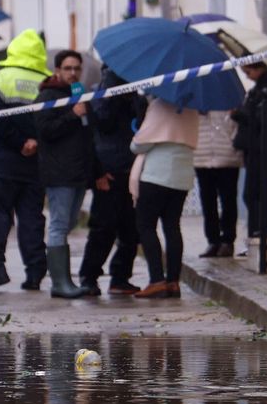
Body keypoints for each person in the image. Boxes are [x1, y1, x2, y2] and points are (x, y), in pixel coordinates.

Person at [0, 29, 49, 292]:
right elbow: (49, 120)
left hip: (3, 160)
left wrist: (19, 143)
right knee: (31, 217)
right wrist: (34, 142)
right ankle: (35, 272)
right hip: (35, 163)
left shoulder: (2, 77)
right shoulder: (46, 80)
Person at [77, 66, 143, 297]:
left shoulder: (134, 97)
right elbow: (101, 126)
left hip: (131, 170)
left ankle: (120, 277)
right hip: (109, 171)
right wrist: (97, 174)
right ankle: (89, 276)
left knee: (131, 230)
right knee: (103, 228)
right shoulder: (100, 97)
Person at [35, 50, 96, 299]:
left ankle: (64, 278)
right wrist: (73, 115)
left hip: (79, 172)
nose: (73, 73)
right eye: (68, 68)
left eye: (76, 69)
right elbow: (45, 130)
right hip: (59, 171)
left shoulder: (79, 95)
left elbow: (88, 136)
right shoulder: (48, 96)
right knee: (59, 225)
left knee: (69, 223)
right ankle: (60, 283)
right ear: (57, 70)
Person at [130, 97, 199, 299]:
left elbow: (139, 145)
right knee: (172, 227)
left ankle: (157, 280)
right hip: (182, 176)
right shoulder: (192, 107)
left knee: (145, 225)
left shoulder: (160, 105)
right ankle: (173, 282)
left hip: (156, 175)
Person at [231, 62, 267, 242]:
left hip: (263, 146)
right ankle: (255, 233)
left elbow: (261, 117)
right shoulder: (261, 88)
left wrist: (238, 114)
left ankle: (261, 231)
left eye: (247, 71)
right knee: (254, 192)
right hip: (256, 145)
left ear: (258, 68)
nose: (247, 76)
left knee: (256, 192)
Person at [193, 109, 241, 258]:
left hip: (227, 157)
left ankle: (228, 240)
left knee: (228, 200)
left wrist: (232, 143)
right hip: (202, 157)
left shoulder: (230, 103)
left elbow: (236, 128)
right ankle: (213, 240)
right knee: (208, 202)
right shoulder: (195, 106)